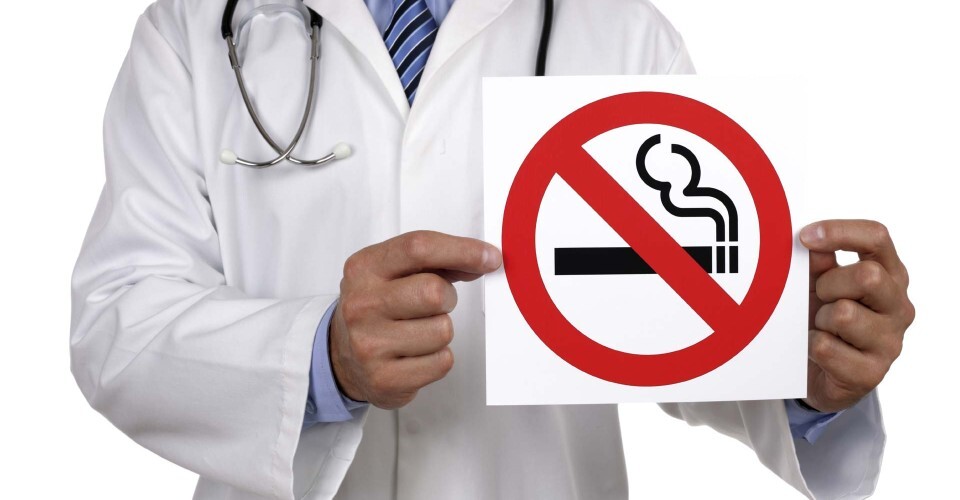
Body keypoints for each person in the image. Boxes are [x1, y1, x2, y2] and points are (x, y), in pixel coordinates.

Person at [70, 0, 914, 498]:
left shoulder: (619, 32)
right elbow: (118, 325)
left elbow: (677, 326)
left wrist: (805, 369)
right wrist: (321, 358)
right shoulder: (192, 31)